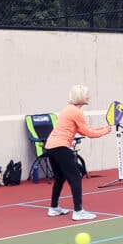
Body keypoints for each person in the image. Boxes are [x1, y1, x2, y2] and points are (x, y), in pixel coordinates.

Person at [46, 85, 112, 221]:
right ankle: (78, 211)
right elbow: (90, 134)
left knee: (60, 178)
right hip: (61, 146)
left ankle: (53, 208)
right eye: (87, 94)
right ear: (81, 96)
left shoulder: (68, 110)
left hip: (50, 146)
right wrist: (105, 131)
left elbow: (83, 130)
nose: (89, 97)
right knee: (76, 176)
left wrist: (102, 128)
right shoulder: (76, 112)